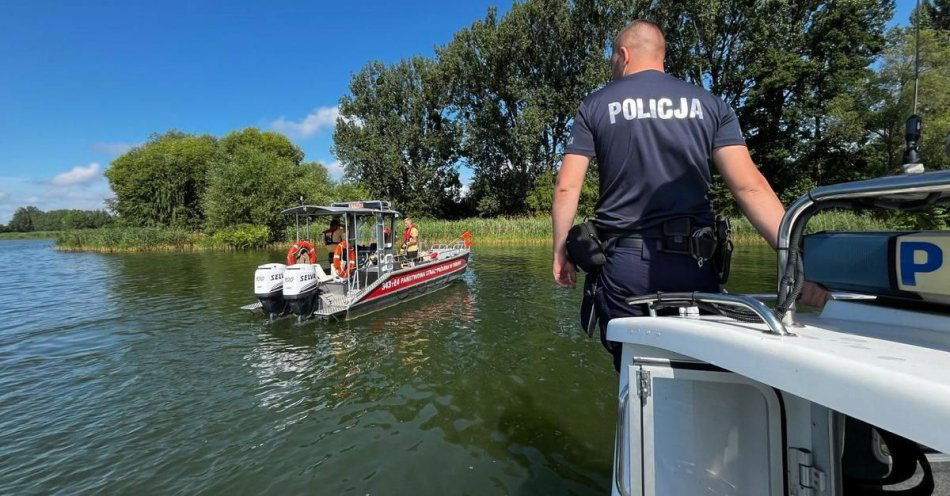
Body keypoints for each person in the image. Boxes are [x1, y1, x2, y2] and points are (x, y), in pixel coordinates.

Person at [551, 20, 828, 370]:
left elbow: (567, 186)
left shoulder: (595, 105)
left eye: (612, 60)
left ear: (623, 55)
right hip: (697, 262)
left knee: (638, 373)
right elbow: (750, 187)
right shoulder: (711, 104)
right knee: (697, 369)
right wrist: (795, 265)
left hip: (626, 266)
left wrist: (561, 250)